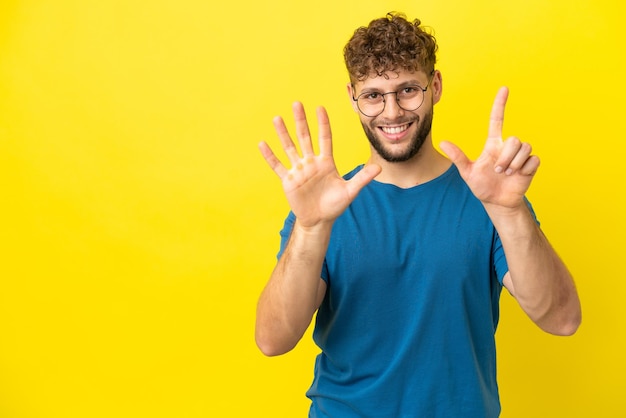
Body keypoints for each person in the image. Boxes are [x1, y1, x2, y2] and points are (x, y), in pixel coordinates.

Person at [255, 12, 581, 418]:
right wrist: (311, 227)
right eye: (373, 94)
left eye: (408, 89)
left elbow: (562, 319)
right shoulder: (324, 207)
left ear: (435, 86)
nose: (392, 112)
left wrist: (509, 212)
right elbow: (273, 340)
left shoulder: (490, 199)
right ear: (352, 96)